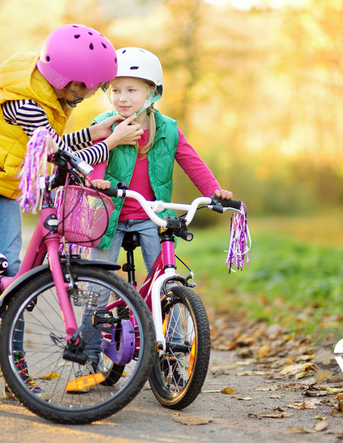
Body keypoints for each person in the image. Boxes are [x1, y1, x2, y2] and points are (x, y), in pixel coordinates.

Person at [0, 24, 143, 407]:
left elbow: (52, 144)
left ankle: (12, 370)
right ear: (61, 76)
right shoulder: (26, 101)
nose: (85, 94)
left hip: (5, 182)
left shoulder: (50, 95)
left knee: (14, 277)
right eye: (81, 87)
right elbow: (58, 160)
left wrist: (94, 131)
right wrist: (110, 142)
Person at [82, 47, 233, 377]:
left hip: (151, 214)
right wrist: (96, 181)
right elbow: (95, 159)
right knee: (97, 285)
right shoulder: (104, 124)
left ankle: (171, 354)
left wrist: (214, 191)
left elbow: (192, 162)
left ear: (152, 92)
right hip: (109, 216)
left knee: (165, 282)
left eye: (132, 90)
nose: (123, 98)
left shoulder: (167, 129)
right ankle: (88, 355)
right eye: (116, 90)